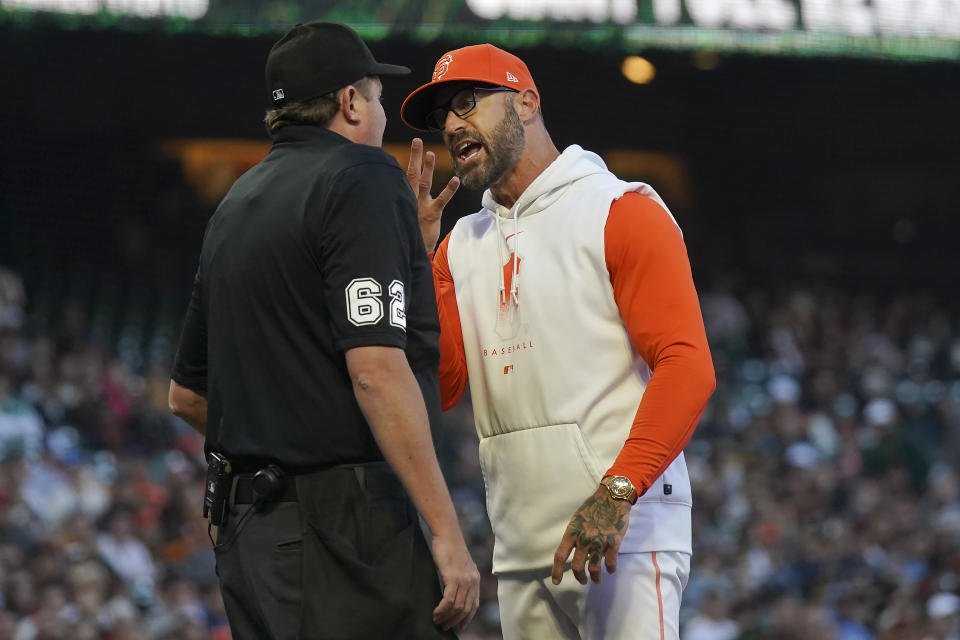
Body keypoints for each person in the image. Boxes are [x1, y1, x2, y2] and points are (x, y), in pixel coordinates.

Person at [167, 22, 479, 640]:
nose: (384, 111)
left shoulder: (237, 201)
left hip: (247, 538)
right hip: (341, 535)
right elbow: (375, 371)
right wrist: (445, 531)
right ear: (350, 101)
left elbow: (187, 396)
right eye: (378, 95)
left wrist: (405, 253)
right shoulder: (364, 176)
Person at [401, 44, 716, 639]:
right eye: (442, 114)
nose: (450, 124)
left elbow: (688, 365)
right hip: (521, 543)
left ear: (526, 101)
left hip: (624, 530)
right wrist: (419, 262)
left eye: (467, 102)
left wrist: (617, 493)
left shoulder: (620, 210)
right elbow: (441, 388)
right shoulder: (458, 245)